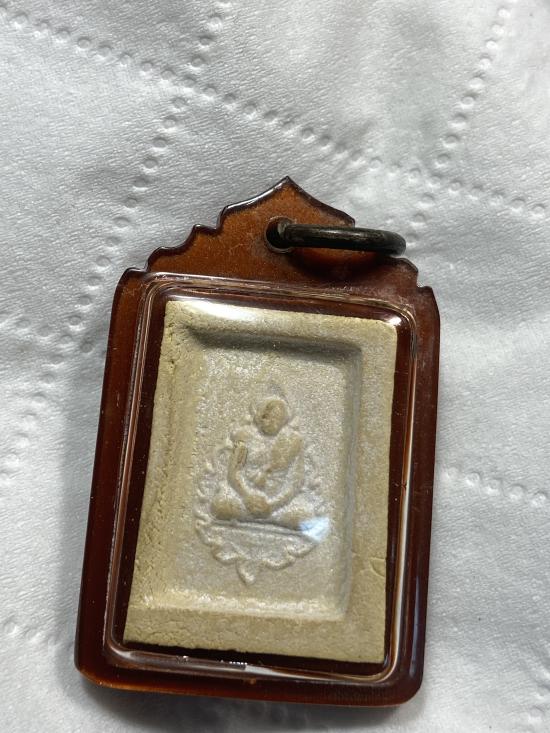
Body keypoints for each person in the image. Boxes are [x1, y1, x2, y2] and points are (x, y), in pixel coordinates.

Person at [211, 396, 317, 530]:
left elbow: (296, 482)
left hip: (278, 504)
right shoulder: (244, 436)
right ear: (260, 417)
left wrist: (273, 505)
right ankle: (265, 518)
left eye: (278, 419)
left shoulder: (294, 441)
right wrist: (247, 496)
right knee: (220, 504)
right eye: (268, 417)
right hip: (245, 499)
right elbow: (234, 472)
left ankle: (264, 516)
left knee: (306, 517)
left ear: (284, 422)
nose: (272, 423)